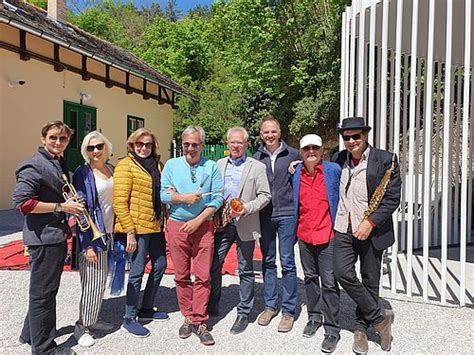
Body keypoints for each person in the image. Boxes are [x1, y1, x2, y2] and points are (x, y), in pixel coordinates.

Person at [332, 117, 401, 354]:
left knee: (370, 279)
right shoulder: (338, 158)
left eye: (355, 136)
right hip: (343, 227)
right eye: (347, 137)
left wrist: (370, 222)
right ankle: (379, 318)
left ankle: (361, 328)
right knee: (342, 272)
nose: (351, 141)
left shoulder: (386, 159)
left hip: (372, 231)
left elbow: (392, 198)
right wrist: (296, 165)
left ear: (365, 136)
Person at [13, 121, 82, 355]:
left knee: (45, 290)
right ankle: (43, 349)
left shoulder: (57, 163)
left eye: (62, 139)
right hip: (44, 238)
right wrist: (62, 207)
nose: (57, 142)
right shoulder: (34, 165)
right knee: (43, 294)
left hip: (54, 235)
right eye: (53, 137)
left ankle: (29, 334)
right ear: (43, 139)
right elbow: (23, 203)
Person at [160, 126, 223, 346]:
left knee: (204, 275)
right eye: (186, 144)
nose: (190, 148)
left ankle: (199, 320)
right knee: (181, 274)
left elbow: (217, 199)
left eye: (195, 144)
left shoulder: (212, 167)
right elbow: (163, 195)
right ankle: (187, 315)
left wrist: (198, 220)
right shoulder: (171, 165)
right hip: (177, 225)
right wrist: (182, 198)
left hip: (203, 226)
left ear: (202, 145)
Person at [208, 127, 271, 334]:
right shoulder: (218, 165)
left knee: (245, 269)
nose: (235, 146)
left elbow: (265, 195)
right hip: (223, 223)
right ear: (227, 144)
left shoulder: (257, 167)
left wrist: (247, 208)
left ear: (246, 144)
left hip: (246, 222)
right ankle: (213, 304)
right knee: (215, 263)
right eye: (232, 142)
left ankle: (244, 312)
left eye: (239, 142)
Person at [114, 128, 168, 338]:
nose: (144, 148)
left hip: (155, 226)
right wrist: (129, 231)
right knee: (136, 272)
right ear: (132, 145)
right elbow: (119, 201)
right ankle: (129, 316)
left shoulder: (158, 165)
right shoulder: (125, 165)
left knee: (161, 265)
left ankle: (146, 309)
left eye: (148, 144)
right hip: (136, 228)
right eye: (140, 144)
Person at [291, 134, 341, 353]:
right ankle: (314, 317)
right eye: (306, 148)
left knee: (329, 282)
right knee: (310, 278)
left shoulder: (333, 171)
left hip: (327, 236)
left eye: (315, 148)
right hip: (304, 235)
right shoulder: (295, 174)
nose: (311, 151)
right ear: (301, 152)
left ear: (322, 151)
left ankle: (332, 329)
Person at [253, 115, 300, 332]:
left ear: (279, 132)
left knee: (288, 262)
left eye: (273, 131)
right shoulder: (256, 157)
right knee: (268, 261)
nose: (269, 135)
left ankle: (289, 311)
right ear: (261, 134)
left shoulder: (292, 154)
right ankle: (270, 306)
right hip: (265, 215)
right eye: (266, 132)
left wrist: (299, 165)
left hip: (287, 213)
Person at [72, 131, 115, 347]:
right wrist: (87, 243)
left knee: (101, 280)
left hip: (109, 232)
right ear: (85, 151)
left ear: (106, 147)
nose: (95, 151)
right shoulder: (83, 173)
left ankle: (92, 318)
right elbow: (80, 210)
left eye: (99, 146)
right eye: (90, 148)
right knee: (92, 282)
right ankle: (81, 326)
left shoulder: (112, 169)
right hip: (93, 235)